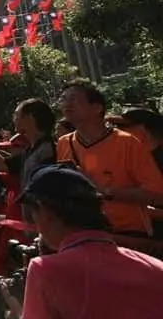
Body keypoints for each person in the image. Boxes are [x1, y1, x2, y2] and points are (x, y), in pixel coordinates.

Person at [17, 164, 163, 318]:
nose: (34, 221)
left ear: (45, 212)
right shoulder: (156, 268)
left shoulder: (45, 270)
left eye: (33, 212)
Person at [56, 79, 163, 236]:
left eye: (74, 99)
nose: (67, 104)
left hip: (127, 233)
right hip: (85, 234)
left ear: (97, 108)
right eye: (64, 99)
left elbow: (157, 194)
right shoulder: (63, 143)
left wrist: (103, 190)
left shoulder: (127, 142)